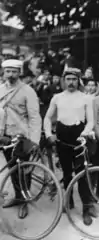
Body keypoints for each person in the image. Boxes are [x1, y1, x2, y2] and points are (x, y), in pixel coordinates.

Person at [44, 67, 95, 226]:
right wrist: (48, 134)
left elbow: (91, 121)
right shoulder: (57, 98)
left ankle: (86, 208)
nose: (71, 82)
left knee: (82, 174)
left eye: (74, 79)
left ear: (78, 80)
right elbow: (47, 118)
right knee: (66, 172)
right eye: (68, 79)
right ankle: (69, 201)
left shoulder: (86, 98)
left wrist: (85, 133)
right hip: (62, 136)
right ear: (64, 81)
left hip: (79, 136)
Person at [0, 59, 41, 219]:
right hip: (5, 137)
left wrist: (35, 140)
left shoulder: (27, 91)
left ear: (20, 73)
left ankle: (24, 200)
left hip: (22, 136)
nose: (10, 74)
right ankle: (17, 196)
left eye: (14, 71)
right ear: (3, 72)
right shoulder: (1, 89)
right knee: (12, 170)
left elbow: (34, 117)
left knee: (24, 171)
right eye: (8, 71)